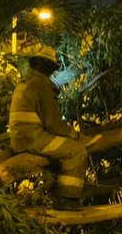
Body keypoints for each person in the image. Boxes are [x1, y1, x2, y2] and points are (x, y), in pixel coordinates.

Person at [8, 44, 89, 209]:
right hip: (34, 139)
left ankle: (54, 190)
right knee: (76, 151)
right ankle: (66, 198)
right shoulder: (42, 85)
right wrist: (74, 135)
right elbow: (53, 124)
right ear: (51, 68)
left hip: (20, 138)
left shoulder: (26, 82)